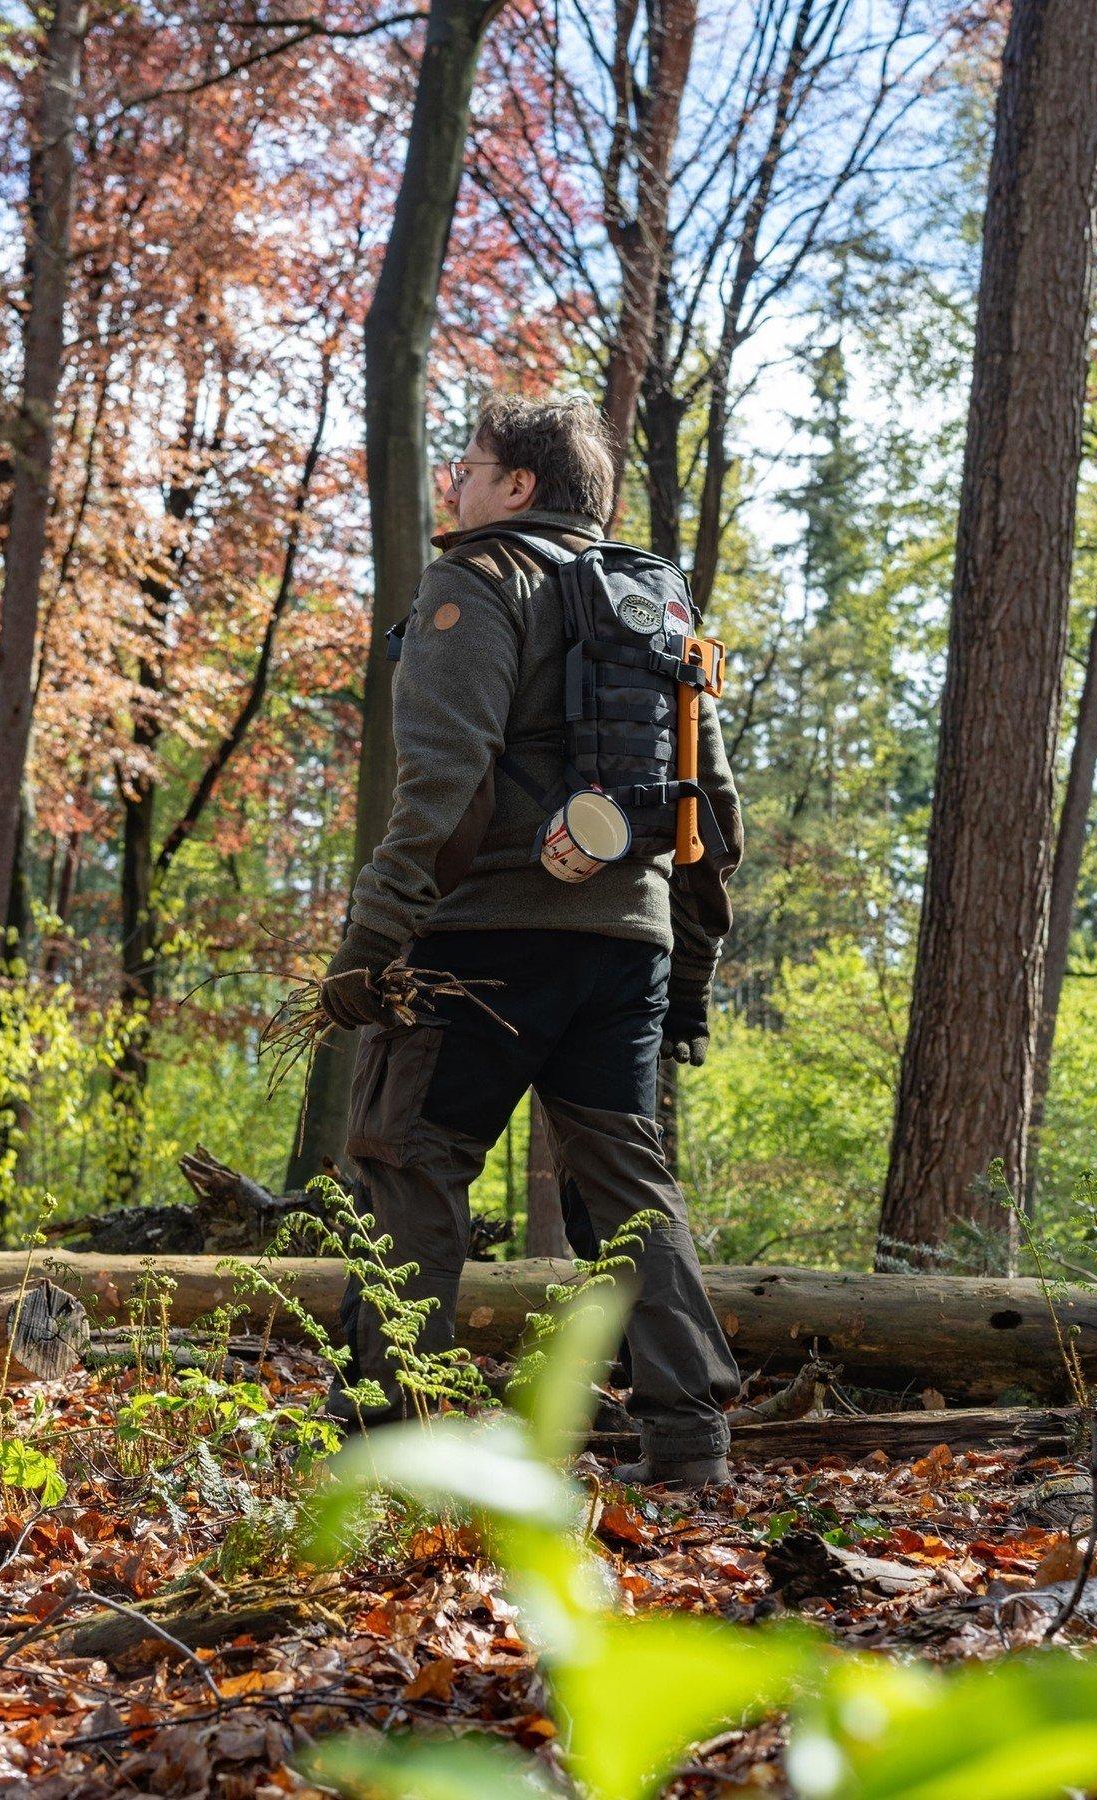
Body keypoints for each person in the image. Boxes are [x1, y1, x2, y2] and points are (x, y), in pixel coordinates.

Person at [319, 392, 743, 1488]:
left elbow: (442, 779)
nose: (453, 485)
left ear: (518, 486)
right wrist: (684, 978)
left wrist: (372, 943)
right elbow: (711, 814)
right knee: (629, 1188)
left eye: (467, 467)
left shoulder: (477, 580)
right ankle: (690, 1443)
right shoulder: (656, 603)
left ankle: (388, 1444)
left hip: (484, 941)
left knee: (411, 1167)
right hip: (629, 943)